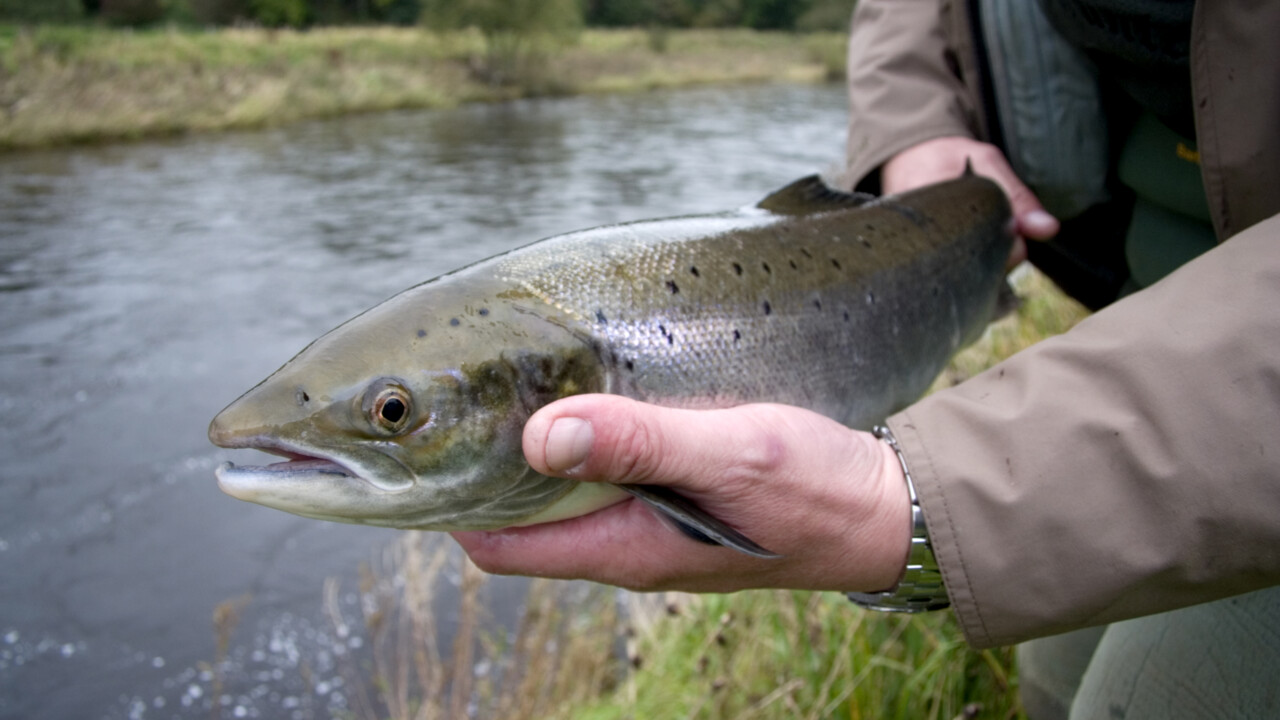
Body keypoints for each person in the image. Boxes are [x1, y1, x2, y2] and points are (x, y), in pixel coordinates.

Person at [453, 2, 1280, 717]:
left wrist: (904, 508)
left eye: (395, 414)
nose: (396, 423)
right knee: (1052, 680)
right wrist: (913, 126)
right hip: (1138, 291)